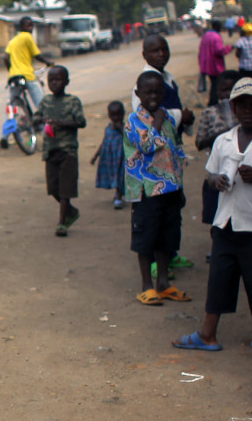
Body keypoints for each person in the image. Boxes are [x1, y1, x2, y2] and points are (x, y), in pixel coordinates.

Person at [173, 78, 252, 356]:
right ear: (233, 108)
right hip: (225, 224)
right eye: (242, 105)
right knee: (219, 279)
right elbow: (209, 176)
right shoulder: (224, 140)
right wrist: (216, 180)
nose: (248, 110)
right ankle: (207, 333)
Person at [125, 71, 188, 305]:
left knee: (166, 237)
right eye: (148, 92)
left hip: (169, 189)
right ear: (138, 93)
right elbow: (147, 145)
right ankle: (146, 286)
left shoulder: (169, 119)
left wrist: (180, 185)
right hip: (146, 191)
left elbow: (176, 151)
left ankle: (163, 283)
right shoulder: (134, 120)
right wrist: (158, 120)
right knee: (146, 238)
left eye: (158, 92)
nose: (154, 96)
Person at [36, 65, 85, 236]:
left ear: (66, 82)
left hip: (68, 150)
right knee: (53, 188)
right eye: (51, 80)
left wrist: (63, 123)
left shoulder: (73, 101)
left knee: (66, 188)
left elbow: (81, 122)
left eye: (58, 80)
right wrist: (41, 119)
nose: (55, 83)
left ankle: (62, 222)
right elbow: (35, 119)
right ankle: (71, 212)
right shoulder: (46, 101)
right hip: (50, 150)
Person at [196, 70, 242, 227]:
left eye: (232, 90)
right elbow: (199, 143)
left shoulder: (245, 114)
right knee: (216, 214)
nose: (228, 94)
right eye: (224, 90)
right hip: (217, 170)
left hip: (240, 171)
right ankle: (216, 248)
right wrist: (222, 133)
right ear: (217, 91)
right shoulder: (210, 113)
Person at [0, 16, 53, 148]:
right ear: (22, 27)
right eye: (28, 26)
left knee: (12, 107)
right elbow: (37, 55)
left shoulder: (12, 41)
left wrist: (11, 70)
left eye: (31, 25)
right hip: (28, 75)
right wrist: (48, 62)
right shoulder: (27, 37)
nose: (30, 28)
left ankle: (5, 136)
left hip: (14, 77)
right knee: (41, 104)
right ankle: (47, 133)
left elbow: (5, 58)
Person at [90, 100, 126, 209]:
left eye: (118, 115)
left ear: (123, 114)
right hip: (110, 159)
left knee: (120, 176)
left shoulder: (124, 128)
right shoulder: (108, 129)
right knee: (113, 176)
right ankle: (117, 194)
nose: (116, 118)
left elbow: (128, 138)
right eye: (113, 115)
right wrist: (95, 156)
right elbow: (104, 143)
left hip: (120, 158)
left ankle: (119, 196)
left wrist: (119, 128)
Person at [198, 19, 232, 105]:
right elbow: (219, 51)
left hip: (206, 65)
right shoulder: (216, 37)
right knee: (216, 86)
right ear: (217, 27)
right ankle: (213, 103)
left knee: (214, 84)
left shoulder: (206, 35)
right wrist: (229, 48)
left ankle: (213, 102)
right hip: (215, 66)